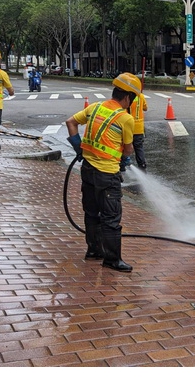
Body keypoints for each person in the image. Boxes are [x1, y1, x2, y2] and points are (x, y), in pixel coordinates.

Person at [65, 73, 140, 272]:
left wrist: (78, 147)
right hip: (107, 174)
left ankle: (94, 250)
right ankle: (112, 259)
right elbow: (128, 149)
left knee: (91, 212)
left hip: (87, 170)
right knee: (111, 217)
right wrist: (125, 157)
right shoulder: (125, 118)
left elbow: (70, 122)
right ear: (128, 98)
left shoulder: (95, 107)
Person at [129, 87, 148, 170]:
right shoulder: (141, 96)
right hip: (139, 128)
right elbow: (145, 108)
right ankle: (142, 164)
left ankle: (122, 164)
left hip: (128, 126)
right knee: (139, 147)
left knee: (125, 145)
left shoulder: (127, 96)